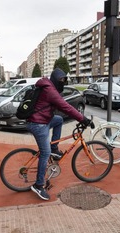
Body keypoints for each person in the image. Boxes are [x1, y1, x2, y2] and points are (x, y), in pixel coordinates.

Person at [26, 68, 93, 201]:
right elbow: (65, 107)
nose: (63, 82)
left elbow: (61, 108)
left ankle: (54, 149)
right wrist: (83, 119)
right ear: (55, 79)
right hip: (38, 124)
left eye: (64, 80)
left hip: (41, 120)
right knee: (45, 153)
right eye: (61, 80)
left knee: (58, 120)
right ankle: (39, 185)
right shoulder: (50, 90)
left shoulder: (49, 86)